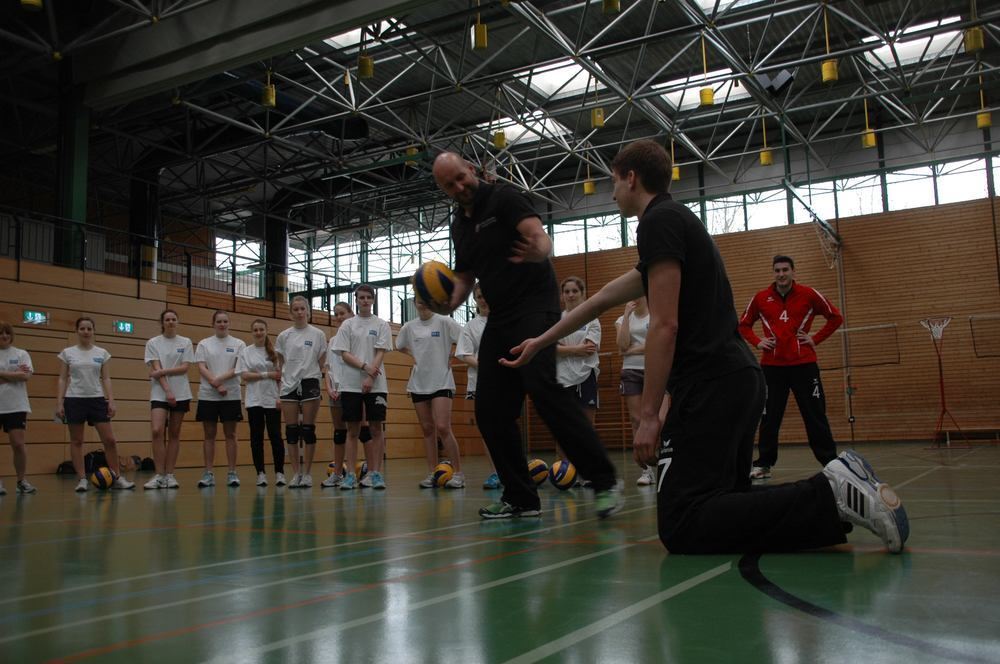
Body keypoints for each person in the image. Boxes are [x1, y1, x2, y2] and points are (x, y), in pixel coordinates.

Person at [501, 139, 908, 553]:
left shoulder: (658, 221)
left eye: (613, 181)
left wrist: (648, 416)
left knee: (683, 522)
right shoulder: (674, 225)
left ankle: (831, 492)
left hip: (713, 386)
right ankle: (836, 503)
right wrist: (542, 341)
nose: (611, 192)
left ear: (631, 178)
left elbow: (665, 324)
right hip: (735, 381)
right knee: (719, 503)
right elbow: (603, 297)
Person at [431, 151, 620, 520]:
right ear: (444, 190)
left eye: (461, 177)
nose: (459, 186)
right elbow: (467, 276)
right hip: (501, 316)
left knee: (543, 386)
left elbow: (540, 237)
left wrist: (540, 250)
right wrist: (448, 302)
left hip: (536, 306)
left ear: (472, 169)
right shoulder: (460, 225)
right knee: (489, 411)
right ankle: (521, 497)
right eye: (449, 185)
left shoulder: (503, 198)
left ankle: (605, 482)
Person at [739, 255, 843, 480]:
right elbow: (743, 325)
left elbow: (835, 317)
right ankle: (764, 463)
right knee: (769, 417)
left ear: (793, 272)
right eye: (777, 270)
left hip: (804, 366)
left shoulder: (809, 294)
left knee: (815, 415)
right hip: (772, 368)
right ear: (773, 273)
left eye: (785, 270)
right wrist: (758, 342)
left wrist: (815, 338)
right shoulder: (761, 298)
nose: (781, 274)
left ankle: (829, 462)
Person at [57, 316, 135, 492]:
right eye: (82, 328)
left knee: (110, 440)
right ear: (77, 331)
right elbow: (62, 379)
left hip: (97, 399)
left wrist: (111, 400)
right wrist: (59, 402)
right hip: (74, 399)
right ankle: (82, 479)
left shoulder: (102, 353)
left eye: (89, 329)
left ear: (93, 331)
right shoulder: (67, 353)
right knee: (77, 441)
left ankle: (117, 477)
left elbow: (106, 378)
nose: (86, 332)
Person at [396, 300, 465, 489]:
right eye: (419, 299)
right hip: (419, 383)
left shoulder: (444, 322)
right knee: (427, 429)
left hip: (441, 380)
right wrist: (415, 355)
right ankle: (433, 472)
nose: (422, 303)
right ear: (415, 302)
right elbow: (399, 345)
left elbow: (464, 339)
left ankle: (458, 473)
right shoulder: (409, 327)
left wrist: (451, 355)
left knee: (443, 426)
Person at [330, 284, 392, 490]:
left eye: (368, 297)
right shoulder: (347, 325)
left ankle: (376, 473)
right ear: (356, 300)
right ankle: (350, 475)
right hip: (351, 385)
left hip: (376, 384)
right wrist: (365, 367)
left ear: (373, 300)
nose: (365, 300)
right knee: (352, 430)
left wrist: (370, 377)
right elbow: (344, 353)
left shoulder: (381, 324)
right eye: (361, 297)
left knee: (375, 428)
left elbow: (381, 351)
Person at [615, 297, 669, 486]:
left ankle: (663, 458)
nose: (634, 298)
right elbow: (622, 346)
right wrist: (626, 314)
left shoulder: (655, 315)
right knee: (636, 420)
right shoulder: (622, 321)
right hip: (631, 372)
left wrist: (632, 350)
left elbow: (657, 344)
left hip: (656, 370)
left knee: (660, 419)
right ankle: (646, 471)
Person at [275, 295, 327, 489]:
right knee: (291, 431)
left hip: (310, 381)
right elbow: (281, 360)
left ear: (308, 311)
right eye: (295, 309)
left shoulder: (318, 334)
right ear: (290, 313)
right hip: (289, 383)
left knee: (308, 429)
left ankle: (307, 474)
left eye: (302, 309)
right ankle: (296, 473)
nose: (299, 312)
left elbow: (322, 361)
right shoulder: (283, 336)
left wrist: (313, 374)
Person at [455, 283, 501, 490]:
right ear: (475, 299)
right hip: (480, 383)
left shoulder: (504, 320)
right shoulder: (471, 327)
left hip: (506, 380)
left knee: (506, 428)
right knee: (488, 430)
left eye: (486, 295)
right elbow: (465, 354)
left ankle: (511, 470)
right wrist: (487, 367)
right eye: (480, 296)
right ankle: (495, 472)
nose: (483, 299)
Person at [144, 309, 194, 490]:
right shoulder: (153, 343)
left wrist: (162, 372)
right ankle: (159, 474)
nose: (171, 322)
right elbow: (155, 367)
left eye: (174, 319)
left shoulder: (185, 342)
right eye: (167, 319)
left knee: (174, 433)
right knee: (157, 430)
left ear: (177, 321)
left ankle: (170, 475)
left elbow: (184, 367)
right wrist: (167, 391)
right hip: (160, 392)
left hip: (181, 392)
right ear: (162, 322)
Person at [195, 310, 246, 488]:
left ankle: (232, 473)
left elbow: (237, 368)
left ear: (229, 323)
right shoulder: (204, 344)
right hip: (208, 395)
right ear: (213, 324)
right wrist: (215, 384)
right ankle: (208, 473)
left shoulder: (239, 344)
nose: (222, 324)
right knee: (209, 435)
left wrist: (220, 380)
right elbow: (201, 367)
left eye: (225, 321)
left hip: (230, 395)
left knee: (231, 434)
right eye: (219, 321)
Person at [239, 319, 285, 487]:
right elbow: (245, 375)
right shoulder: (246, 352)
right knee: (256, 438)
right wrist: (267, 375)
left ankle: (280, 473)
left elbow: (280, 378)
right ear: (252, 332)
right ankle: (260, 473)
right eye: (255, 330)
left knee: (276, 437)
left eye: (261, 329)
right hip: (254, 400)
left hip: (272, 399)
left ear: (266, 331)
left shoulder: (275, 352)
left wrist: (280, 397)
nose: (258, 332)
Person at [556, 276, 601, 424]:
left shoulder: (592, 319)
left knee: (587, 427)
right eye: (567, 291)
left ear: (582, 293)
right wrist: (577, 349)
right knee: (563, 428)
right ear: (562, 296)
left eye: (575, 291)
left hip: (586, 375)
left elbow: (589, 349)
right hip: (563, 376)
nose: (570, 295)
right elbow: (551, 349)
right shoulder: (556, 320)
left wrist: (564, 349)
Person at [0, 321, 36, 495]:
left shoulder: (21, 354)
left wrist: (3, 375)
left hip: (16, 405)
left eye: (7, 332)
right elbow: (19, 375)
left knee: (18, 444)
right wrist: (15, 375)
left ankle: (21, 480)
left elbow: (25, 376)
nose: (4, 336)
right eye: (0, 333)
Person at [321, 301, 354, 489]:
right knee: (339, 433)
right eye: (336, 314)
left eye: (342, 313)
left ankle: (352, 473)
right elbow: (327, 368)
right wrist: (328, 387)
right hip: (335, 392)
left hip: (351, 390)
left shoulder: (355, 337)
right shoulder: (332, 341)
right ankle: (338, 474)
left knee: (355, 431)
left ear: (350, 314)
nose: (339, 317)